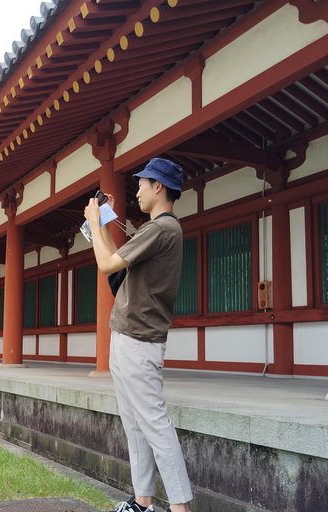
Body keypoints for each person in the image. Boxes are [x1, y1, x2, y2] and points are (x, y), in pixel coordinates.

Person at [84, 157, 192, 512]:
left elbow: (106, 264)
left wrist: (93, 222)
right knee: (135, 425)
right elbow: (119, 263)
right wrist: (103, 225)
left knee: (155, 425)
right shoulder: (157, 230)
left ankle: (180, 508)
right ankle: (142, 501)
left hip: (138, 341)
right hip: (130, 337)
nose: (138, 189)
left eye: (143, 183)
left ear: (158, 186)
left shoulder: (161, 229)